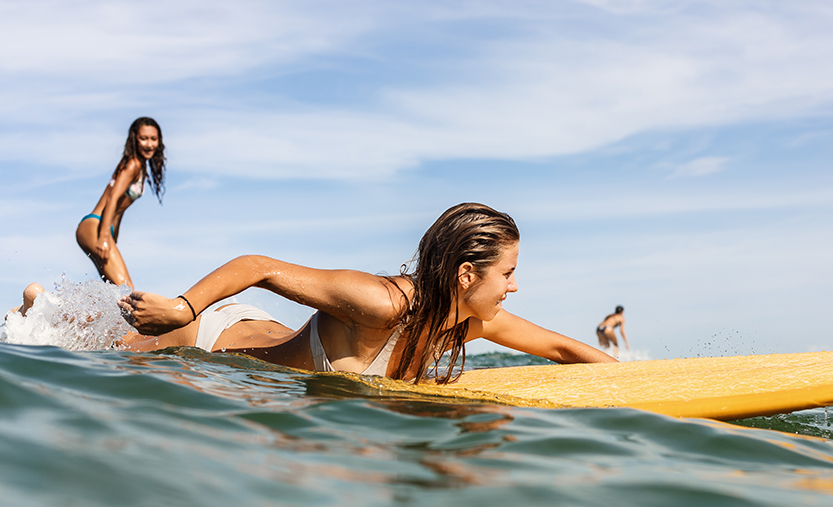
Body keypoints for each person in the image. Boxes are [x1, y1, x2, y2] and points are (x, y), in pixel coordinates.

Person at [118, 203, 617, 383]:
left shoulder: (466, 322)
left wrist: (642, 386)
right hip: (208, 338)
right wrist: (183, 307)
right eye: (507, 273)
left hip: (264, 337)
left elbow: (562, 348)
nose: (514, 285)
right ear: (466, 276)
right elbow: (260, 267)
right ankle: (38, 306)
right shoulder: (382, 304)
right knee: (94, 346)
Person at [76, 117, 166, 289]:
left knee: (115, 293)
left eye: (153, 139)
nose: (149, 144)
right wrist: (104, 236)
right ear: (134, 139)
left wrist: (112, 235)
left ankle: (70, 313)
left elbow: (120, 209)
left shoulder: (139, 165)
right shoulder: (133, 164)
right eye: (143, 138)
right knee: (127, 290)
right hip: (95, 226)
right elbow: (113, 198)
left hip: (103, 228)